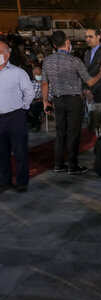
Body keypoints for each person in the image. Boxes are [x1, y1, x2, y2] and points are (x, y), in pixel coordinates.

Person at [42, 30, 101, 174]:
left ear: (54, 45)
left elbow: (44, 84)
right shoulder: (75, 61)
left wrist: (45, 101)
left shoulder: (47, 61)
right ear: (67, 41)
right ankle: (72, 165)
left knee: (60, 133)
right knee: (73, 134)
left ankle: (58, 164)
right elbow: (90, 82)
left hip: (58, 100)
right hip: (74, 101)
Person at [0, 40, 35, 193]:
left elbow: (30, 93)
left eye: (0, 51)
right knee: (2, 153)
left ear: (7, 54)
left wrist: (23, 108)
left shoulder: (18, 73)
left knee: (20, 151)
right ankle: (4, 181)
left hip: (15, 117)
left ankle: (22, 182)